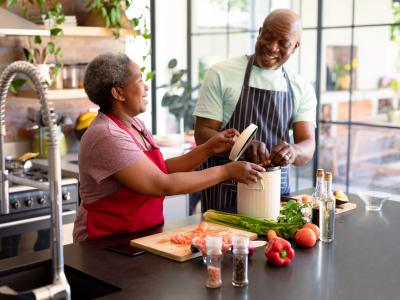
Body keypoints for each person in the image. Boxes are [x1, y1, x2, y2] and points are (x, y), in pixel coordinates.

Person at [73, 53, 264, 242]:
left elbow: (161, 170)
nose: (146, 87)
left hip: (141, 234)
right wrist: (226, 171)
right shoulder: (108, 135)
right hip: (105, 242)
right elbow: (162, 184)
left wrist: (207, 148)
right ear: (118, 93)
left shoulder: (135, 124)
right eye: (139, 80)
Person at [194, 9, 317, 213]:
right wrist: (241, 144)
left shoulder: (300, 87)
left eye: (283, 43)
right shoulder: (221, 73)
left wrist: (293, 151)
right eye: (267, 37)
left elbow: (308, 145)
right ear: (259, 32)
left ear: (295, 47)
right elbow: (202, 133)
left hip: (276, 196)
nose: (272, 47)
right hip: (224, 194)